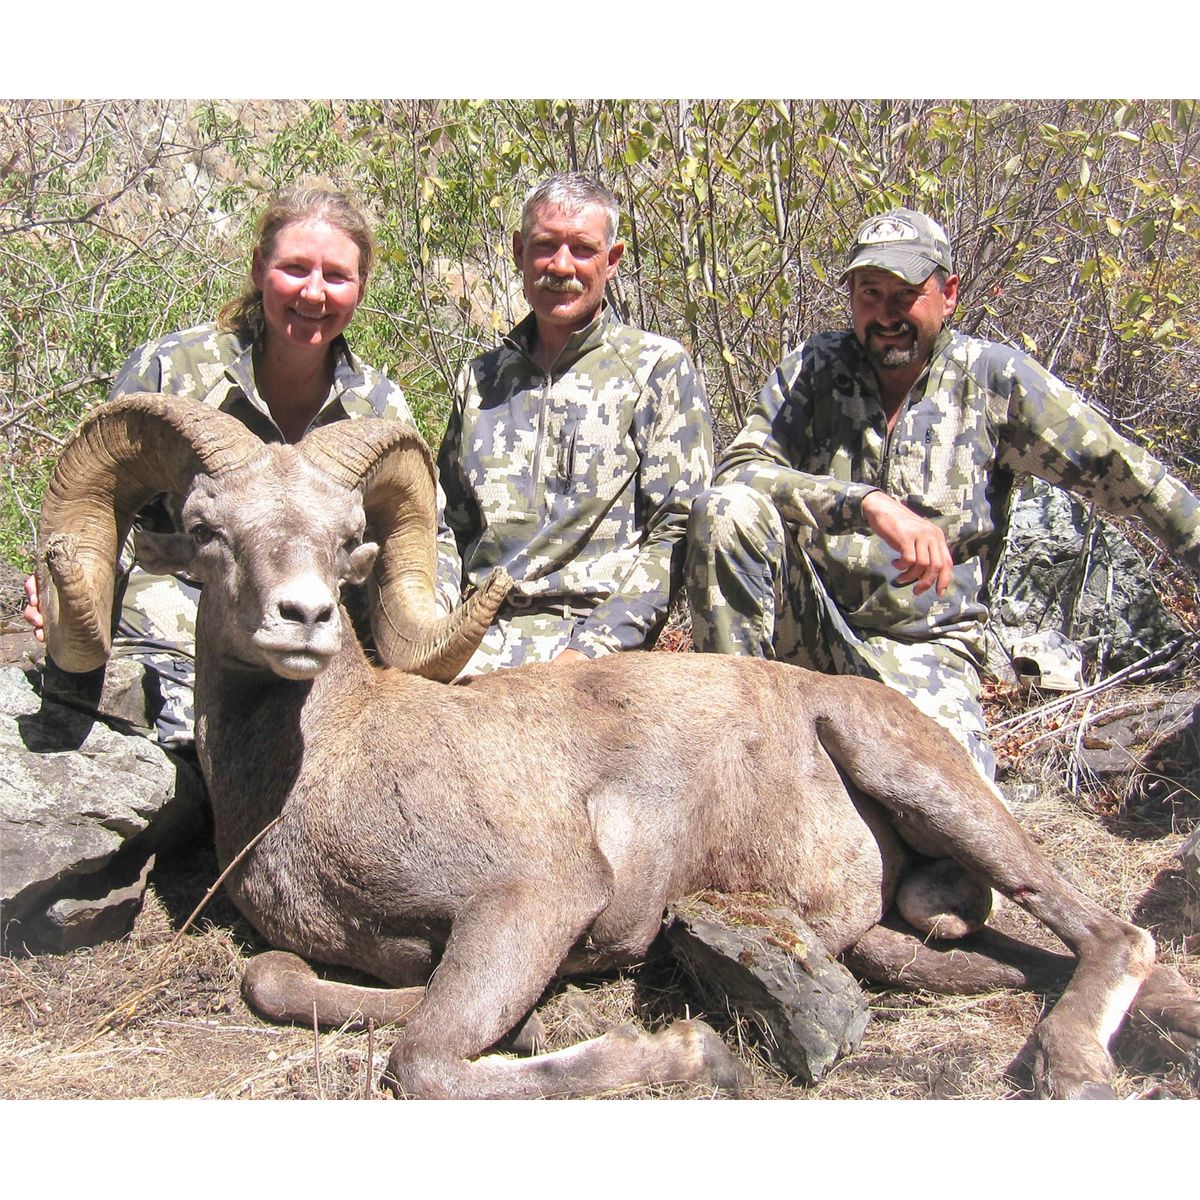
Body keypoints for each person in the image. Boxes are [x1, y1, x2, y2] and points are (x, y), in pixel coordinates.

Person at [686, 207, 1200, 778]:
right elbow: (739, 470)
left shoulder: (992, 380)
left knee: (956, 807)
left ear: (948, 294)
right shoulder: (815, 368)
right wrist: (865, 504)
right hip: (811, 628)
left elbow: (1125, 474)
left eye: (905, 295)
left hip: (926, 650)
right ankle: (736, 753)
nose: (886, 315)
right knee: (726, 510)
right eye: (870, 293)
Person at [25, 179, 460, 747]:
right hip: (186, 625)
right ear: (259, 268)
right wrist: (71, 594)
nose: (313, 293)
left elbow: (426, 535)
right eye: (295, 268)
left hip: (315, 625)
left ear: (360, 286)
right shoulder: (175, 372)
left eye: (336, 276)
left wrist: (425, 618)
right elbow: (97, 506)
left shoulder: (377, 407)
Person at [437, 172, 713, 674]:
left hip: (591, 652)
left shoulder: (656, 368)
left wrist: (590, 651)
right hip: (473, 642)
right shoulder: (480, 380)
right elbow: (445, 530)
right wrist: (433, 632)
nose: (561, 266)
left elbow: (675, 531)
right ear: (519, 251)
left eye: (582, 249)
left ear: (613, 259)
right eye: (545, 246)